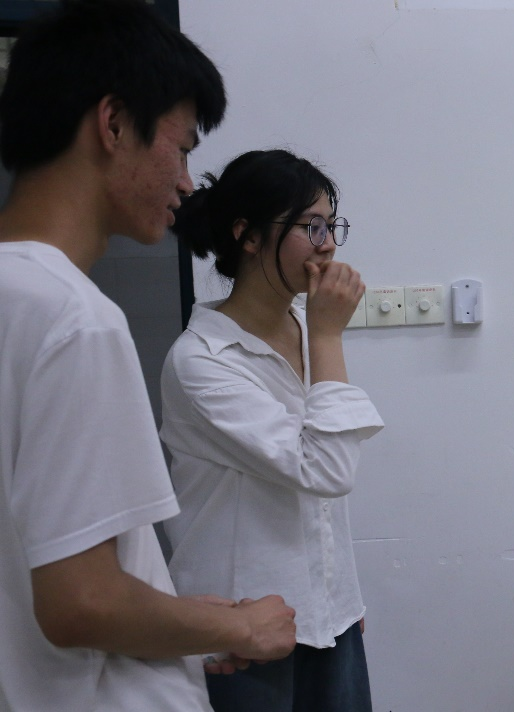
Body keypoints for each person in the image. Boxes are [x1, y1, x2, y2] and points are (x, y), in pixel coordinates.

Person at [0, 1, 298, 710]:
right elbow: (82, 603)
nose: (188, 182)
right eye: (183, 147)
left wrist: (176, 620)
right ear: (113, 125)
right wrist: (238, 626)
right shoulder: (76, 319)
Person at [160, 148, 383, 712]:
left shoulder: (306, 326)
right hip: (241, 633)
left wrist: (340, 594)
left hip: (329, 617)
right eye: (311, 227)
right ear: (249, 235)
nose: (328, 245)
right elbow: (325, 470)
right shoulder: (202, 361)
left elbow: (319, 495)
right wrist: (329, 337)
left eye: (332, 226)